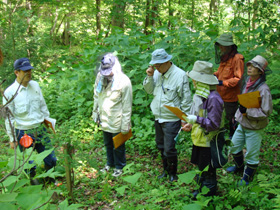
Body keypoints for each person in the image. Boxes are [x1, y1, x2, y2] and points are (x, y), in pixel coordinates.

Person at [3, 58, 57, 185]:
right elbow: (8, 118)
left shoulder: (35, 85)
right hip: (23, 132)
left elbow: (43, 105)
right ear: (17, 72)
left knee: (51, 159)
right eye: (25, 71)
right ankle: (34, 185)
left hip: (40, 129)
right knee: (29, 164)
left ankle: (50, 180)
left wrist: (47, 121)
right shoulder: (9, 92)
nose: (28, 73)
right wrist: (12, 138)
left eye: (29, 70)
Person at [143, 49, 192, 182]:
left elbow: (186, 99)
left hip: (172, 118)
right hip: (158, 116)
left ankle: (172, 174)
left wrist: (185, 119)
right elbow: (149, 90)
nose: (156, 68)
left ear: (167, 62)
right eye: (155, 65)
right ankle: (165, 171)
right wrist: (149, 76)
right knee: (160, 145)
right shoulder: (156, 73)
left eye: (158, 65)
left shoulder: (180, 75)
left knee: (170, 148)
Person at [226, 55, 273, 185]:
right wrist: (237, 117)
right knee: (234, 147)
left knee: (252, 153)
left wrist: (247, 112)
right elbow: (243, 103)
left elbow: (266, 111)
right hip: (243, 124)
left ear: (260, 72)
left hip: (255, 127)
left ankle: (247, 178)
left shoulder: (264, 89)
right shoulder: (247, 83)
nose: (250, 68)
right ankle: (239, 167)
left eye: (254, 67)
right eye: (250, 66)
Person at [182, 61, 224, 198]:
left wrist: (196, 120)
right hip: (200, 139)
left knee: (209, 170)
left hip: (209, 141)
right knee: (201, 167)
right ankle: (200, 191)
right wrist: (191, 124)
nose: (193, 81)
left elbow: (214, 124)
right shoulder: (201, 95)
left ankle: (208, 197)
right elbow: (200, 117)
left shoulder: (213, 98)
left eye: (195, 79)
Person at [92, 53, 132, 177]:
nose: (107, 74)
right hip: (104, 117)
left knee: (118, 144)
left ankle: (120, 166)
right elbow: (96, 95)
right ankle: (110, 163)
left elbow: (127, 105)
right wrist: (95, 113)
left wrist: (126, 124)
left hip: (117, 119)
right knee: (107, 143)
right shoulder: (100, 76)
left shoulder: (124, 81)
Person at [214, 33, 244, 139]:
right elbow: (219, 72)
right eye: (220, 45)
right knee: (219, 115)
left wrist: (223, 82)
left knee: (231, 117)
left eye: (222, 45)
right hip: (220, 93)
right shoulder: (225, 57)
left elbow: (237, 78)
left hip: (230, 96)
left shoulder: (237, 58)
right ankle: (220, 134)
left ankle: (233, 137)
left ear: (229, 46)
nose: (221, 47)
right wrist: (211, 75)